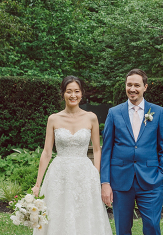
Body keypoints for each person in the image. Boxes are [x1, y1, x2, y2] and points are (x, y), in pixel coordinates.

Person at [32, 76, 113, 235]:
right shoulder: (53, 119)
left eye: (77, 91)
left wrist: (96, 174)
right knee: (58, 213)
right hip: (59, 174)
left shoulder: (91, 117)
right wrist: (37, 184)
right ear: (63, 93)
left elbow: (97, 149)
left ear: (82, 94)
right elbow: (47, 152)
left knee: (84, 214)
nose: (73, 95)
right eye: (69, 91)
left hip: (84, 173)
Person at [100, 69, 163, 235]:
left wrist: (162, 176)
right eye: (129, 85)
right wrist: (105, 182)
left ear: (145, 87)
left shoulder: (158, 112)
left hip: (151, 180)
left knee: (152, 226)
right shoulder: (114, 113)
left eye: (136, 85)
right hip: (121, 181)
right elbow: (107, 150)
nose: (132, 89)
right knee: (122, 230)